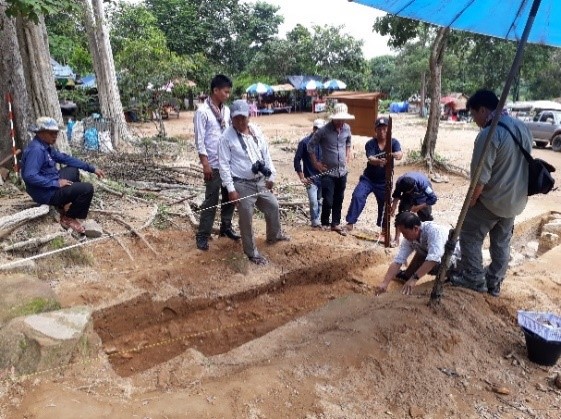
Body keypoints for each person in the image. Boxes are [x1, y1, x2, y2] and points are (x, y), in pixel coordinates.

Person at [449, 89, 532, 297]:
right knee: (501, 243)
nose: (474, 120)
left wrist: (471, 202)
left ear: (483, 110)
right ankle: (494, 283)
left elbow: (480, 179)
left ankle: (474, 279)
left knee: (469, 235)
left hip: (491, 200)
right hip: (514, 201)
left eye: (474, 114)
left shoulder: (488, 134)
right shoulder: (522, 127)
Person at [218, 100, 289, 265]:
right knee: (246, 217)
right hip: (241, 184)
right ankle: (251, 252)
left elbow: (266, 154)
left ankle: (274, 236)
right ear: (231, 119)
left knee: (272, 205)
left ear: (249, 116)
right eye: (237, 119)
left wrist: (271, 176)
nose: (241, 122)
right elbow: (224, 166)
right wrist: (231, 189)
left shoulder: (256, 131)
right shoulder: (226, 138)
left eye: (244, 118)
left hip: (260, 180)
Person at [20, 116, 105, 235]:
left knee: (73, 170)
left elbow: (65, 158)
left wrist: (91, 168)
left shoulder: (45, 147)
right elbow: (29, 176)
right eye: (51, 133)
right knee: (87, 188)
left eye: (56, 133)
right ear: (41, 133)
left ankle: (62, 204)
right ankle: (69, 218)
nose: (55, 136)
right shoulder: (37, 150)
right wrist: (56, 183)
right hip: (46, 193)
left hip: (50, 183)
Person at [193, 74, 240, 251]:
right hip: (212, 163)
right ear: (216, 90)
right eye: (225, 92)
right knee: (211, 201)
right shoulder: (202, 112)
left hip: (227, 163)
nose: (227, 95)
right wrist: (205, 164)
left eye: (229, 92)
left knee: (229, 197)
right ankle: (203, 235)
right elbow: (200, 140)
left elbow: (229, 134)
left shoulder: (226, 111)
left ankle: (226, 228)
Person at [344, 116, 403, 239]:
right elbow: (370, 158)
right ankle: (350, 223)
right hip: (368, 179)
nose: (382, 132)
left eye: (385, 129)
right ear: (375, 130)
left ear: (389, 130)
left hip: (384, 181)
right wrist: (378, 161)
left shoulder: (394, 142)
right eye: (379, 129)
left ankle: (384, 230)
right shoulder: (370, 143)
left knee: (385, 204)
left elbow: (400, 154)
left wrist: (395, 154)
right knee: (358, 195)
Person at [376, 212, 460, 296]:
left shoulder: (434, 232)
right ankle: (406, 276)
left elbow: (434, 259)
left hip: (455, 262)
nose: (404, 236)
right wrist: (385, 283)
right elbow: (398, 260)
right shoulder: (410, 237)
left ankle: (450, 278)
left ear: (416, 229)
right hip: (439, 258)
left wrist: (414, 279)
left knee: (429, 256)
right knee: (421, 251)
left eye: (405, 233)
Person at [307, 103, 354, 236]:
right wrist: (316, 164)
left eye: (343, 120)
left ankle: (335, 224)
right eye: (338, 120)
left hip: (342, 171)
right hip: (328, 171)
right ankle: (325, 222)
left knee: (339, 197)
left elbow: (349, 141)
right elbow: (310, 146)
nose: (341, 122)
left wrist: (348, 152)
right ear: (333, 118)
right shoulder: (323, 131)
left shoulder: (347, 129)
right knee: (328, 199)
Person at [293, 118, 325, 228]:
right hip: (310, 178)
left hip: (323, 179)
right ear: (313, 129)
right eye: (316, 129)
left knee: (320, 201)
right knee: (313, 202)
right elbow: (297, 160)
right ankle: (315, 221)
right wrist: (301, 177)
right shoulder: (304, 143)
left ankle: (317, 220)